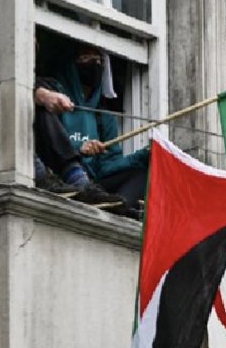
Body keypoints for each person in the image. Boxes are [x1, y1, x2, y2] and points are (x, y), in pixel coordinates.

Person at [33, 41, 149, 219]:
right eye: (85, 56)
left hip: (92, 186)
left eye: (99, 59)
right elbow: (46, 138)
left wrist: (143, 156)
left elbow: (108, 165)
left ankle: (116, 211)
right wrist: (80, 150)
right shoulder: (52, 93)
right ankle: (77, 178)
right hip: (61, 174)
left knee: (141, 175)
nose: (94, 63)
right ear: (71, 62)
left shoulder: (103, 116)